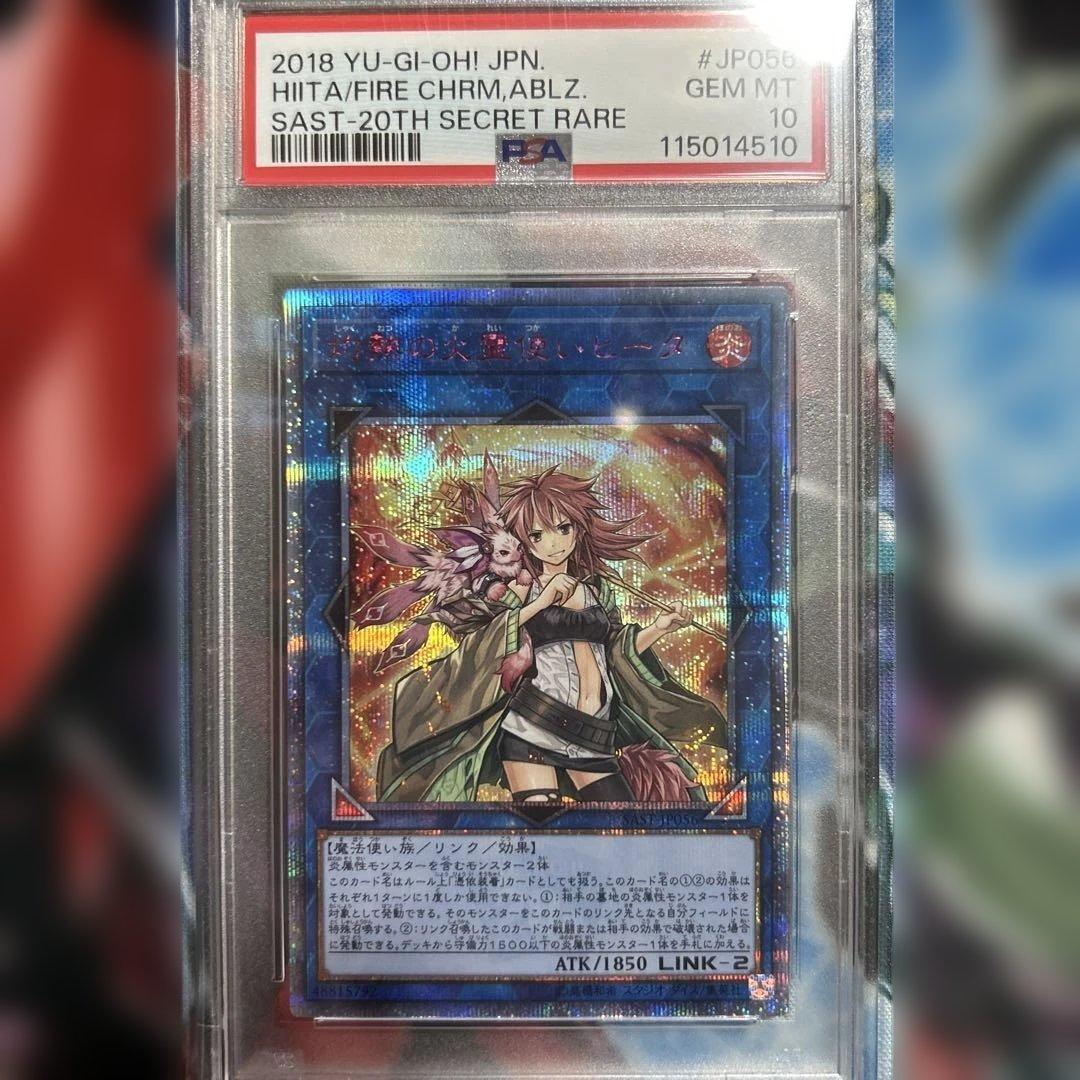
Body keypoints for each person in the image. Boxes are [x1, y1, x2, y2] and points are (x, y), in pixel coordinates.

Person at [375, 465, 727, 804]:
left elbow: (614, 653)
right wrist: (541, 601)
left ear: (578, 529)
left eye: (563, 528)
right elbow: (489, 641)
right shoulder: (519, 590)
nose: (553, 543)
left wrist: (660, 628)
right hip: (535, 724)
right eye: (537, 535)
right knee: (542, 826)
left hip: (595, 733)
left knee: (619, 822)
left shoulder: (596, 591)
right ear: (523, 542)